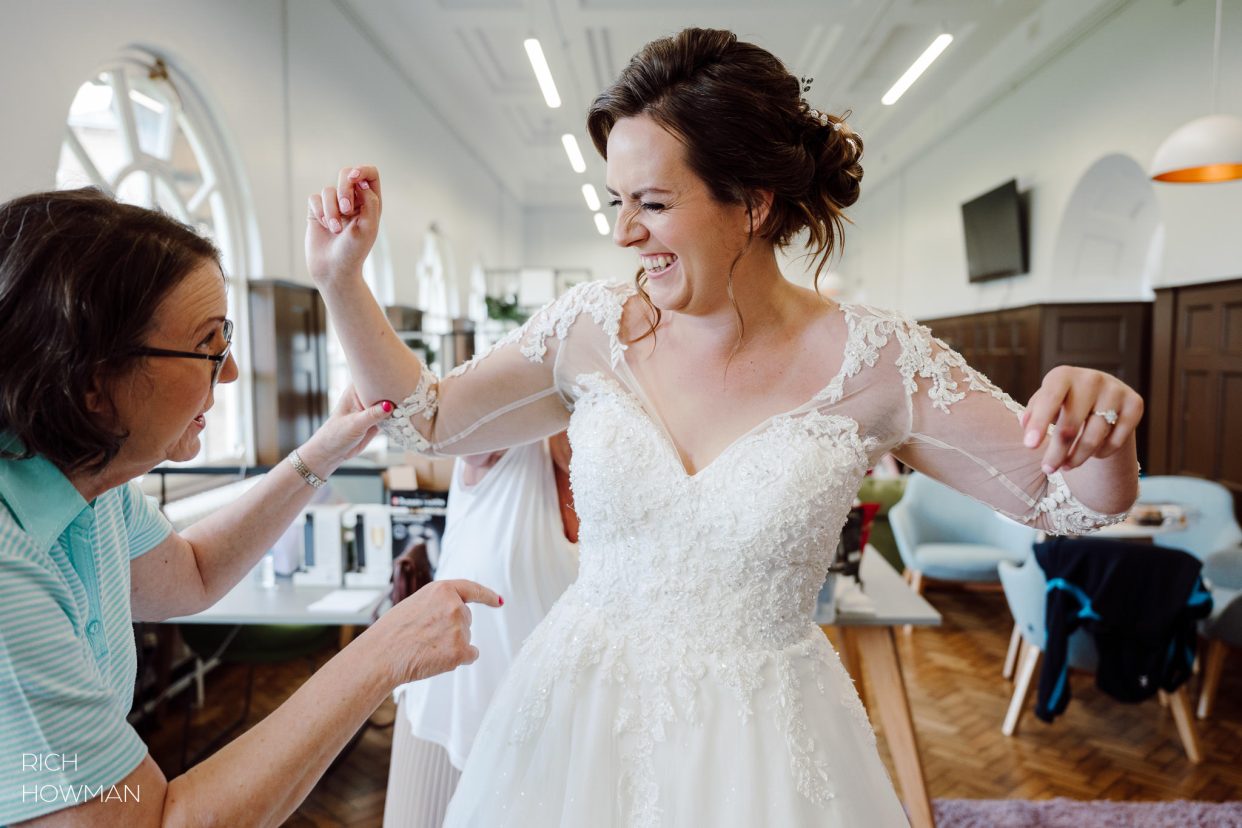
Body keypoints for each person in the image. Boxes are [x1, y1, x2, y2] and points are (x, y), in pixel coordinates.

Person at [305, 28, 1142, 826]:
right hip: (577, 720)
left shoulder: (878, 361)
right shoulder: (590, 331)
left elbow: (1071, 505)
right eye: (616, 202)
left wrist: (1106, 434)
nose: (624, 232)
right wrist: (343, 283)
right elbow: (429, 419)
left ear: (750, 203)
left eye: (653, 203)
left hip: (767, 747)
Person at [0, 188, 500, 828]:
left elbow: (192, 573)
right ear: (94, 382)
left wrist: (323, 450)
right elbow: (150, 821)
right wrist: (381, 653)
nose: (231, 371)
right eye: (209, 345)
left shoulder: (90, 480)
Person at [383, 433, 578, 827]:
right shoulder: (501, 444)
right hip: (457, 722)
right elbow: (440, 422)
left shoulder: (637, 469)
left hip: (563, 739)